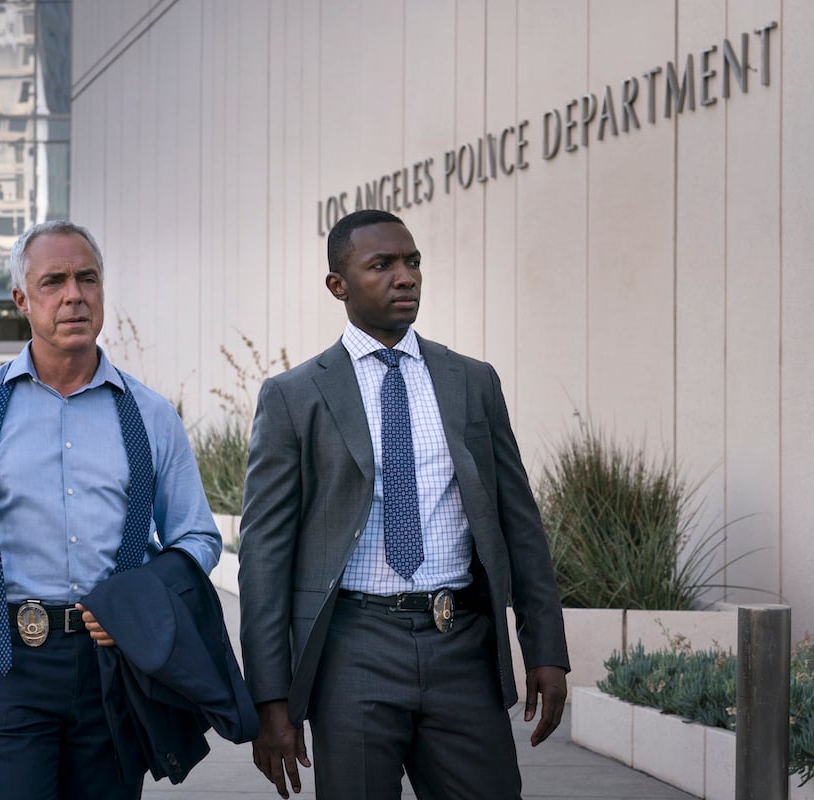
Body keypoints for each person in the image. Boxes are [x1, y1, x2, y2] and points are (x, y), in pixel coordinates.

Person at [239, 209, 570, 799]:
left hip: (461, 645)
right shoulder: (294, 397)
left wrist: (544, 647)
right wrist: (272, 700)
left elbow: (520, 523)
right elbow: (264, 557)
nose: (405, 277)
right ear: (338, 285)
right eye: (382, 265)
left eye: (412, 262)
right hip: (353, 652)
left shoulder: (473, 381)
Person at [0, 220, 222, 800]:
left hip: (114, 670)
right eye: (54, 281)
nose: (74, 294)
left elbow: (197, 536)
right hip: (1, 665)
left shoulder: (151, 415)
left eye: (87, 278)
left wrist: (137, 597)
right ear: (22, 299)